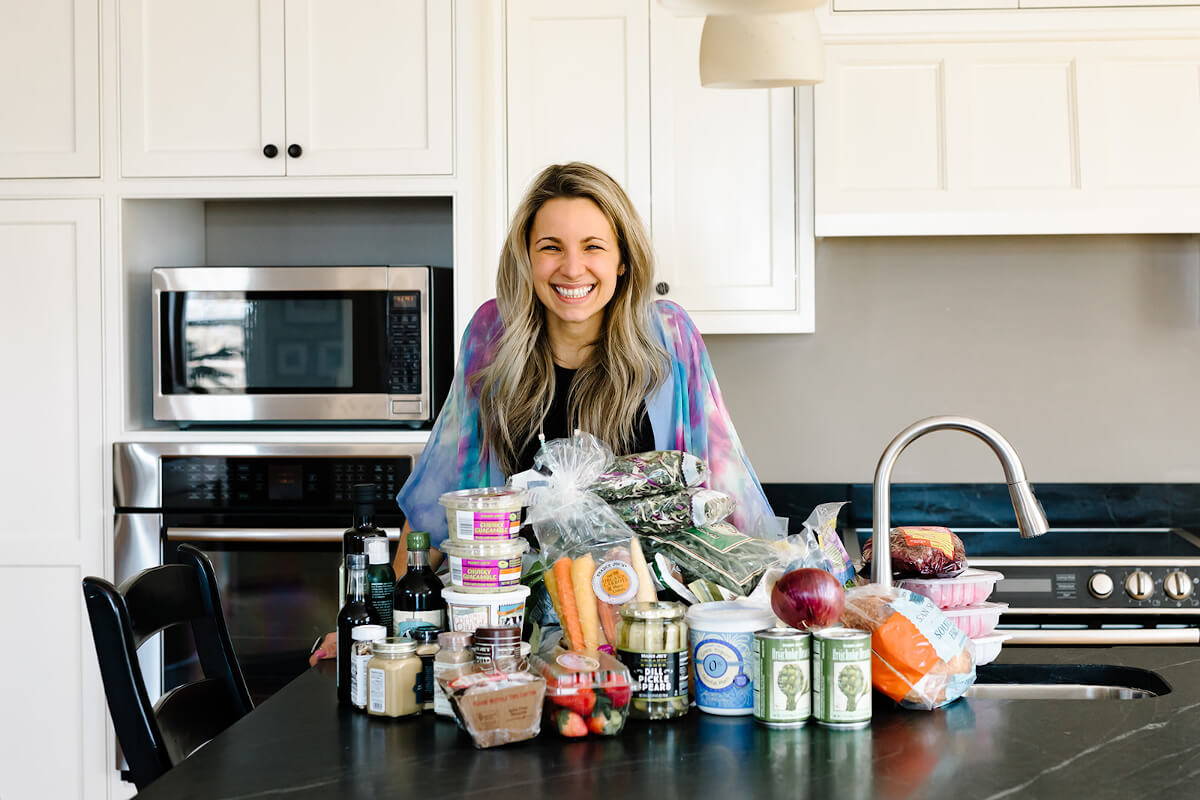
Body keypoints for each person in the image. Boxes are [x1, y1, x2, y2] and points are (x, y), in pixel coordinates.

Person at [310, 162, 773, 665]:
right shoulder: (492, 335)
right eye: (551, 247)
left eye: (593, 246)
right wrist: (379, 625)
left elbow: (725, 484)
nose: (572, 269)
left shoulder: (668, 336)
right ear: (527, 259)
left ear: (622, 260)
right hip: (510, 629)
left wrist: (780, 590)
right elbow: (440, 498)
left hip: (651, 626)